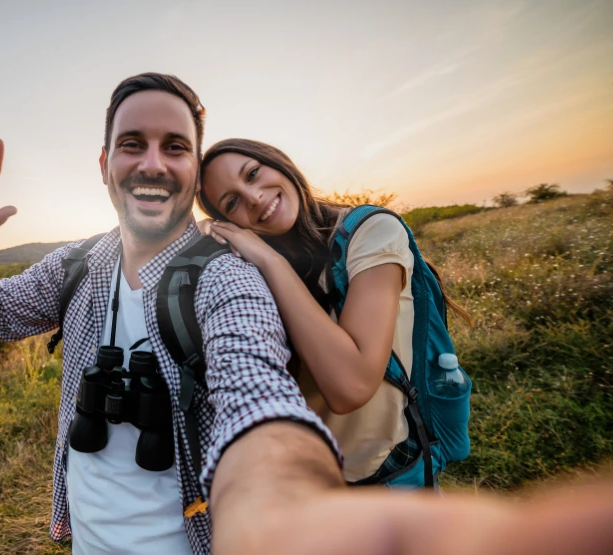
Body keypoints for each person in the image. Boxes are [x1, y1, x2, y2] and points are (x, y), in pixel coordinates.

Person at [0, 73, 343, 554]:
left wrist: (281, 482)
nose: (152, 164)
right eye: (131, 144)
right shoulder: (77, 265)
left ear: (194, 168)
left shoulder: (226, 278)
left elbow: (257, 394)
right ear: (104, 165)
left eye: (174, 147)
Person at [197, 138, 472, 486]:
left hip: (388, 474)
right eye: (232, 202)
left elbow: (351, 386)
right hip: (314, 481)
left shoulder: (370, 231)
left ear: (279, 162)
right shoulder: (250, 266)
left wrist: (270, 261)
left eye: (252, 173)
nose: (254, 198)